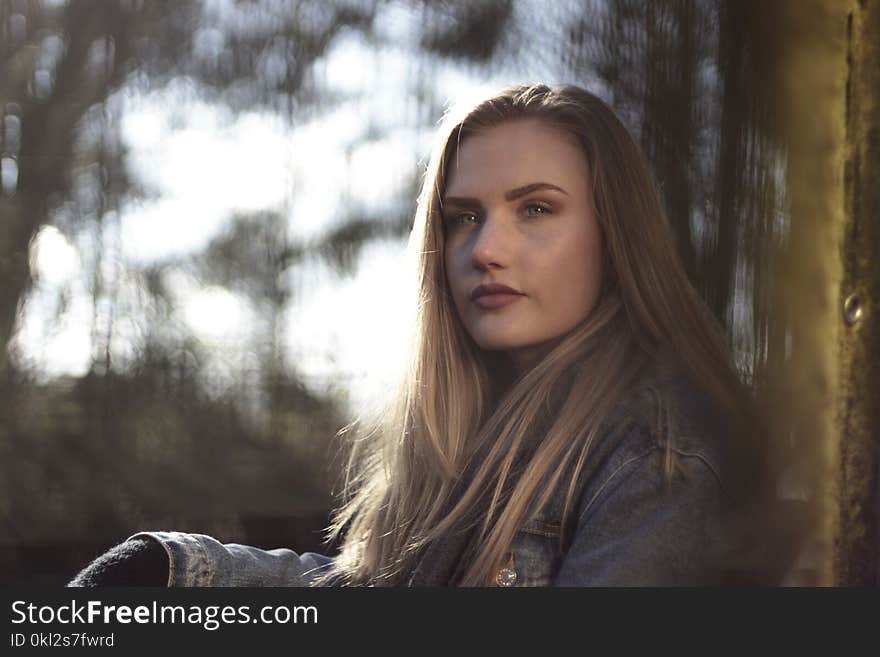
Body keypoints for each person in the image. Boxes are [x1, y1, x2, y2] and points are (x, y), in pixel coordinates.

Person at [69, 83, 768, 588]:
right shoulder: (471, 426)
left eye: (535, 208)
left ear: (615, 235)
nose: (486, 248)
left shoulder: (663, 450)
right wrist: (175, 567)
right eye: (463, 215)